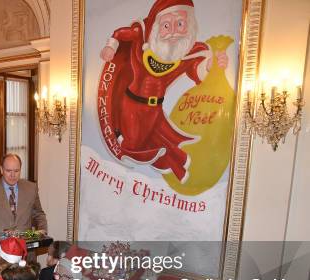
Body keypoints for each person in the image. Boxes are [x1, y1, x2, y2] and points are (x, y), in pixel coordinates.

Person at [98, 0, 228, 181]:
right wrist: (110, 46)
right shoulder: (141, 36)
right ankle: (120, 144)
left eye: (180, 24)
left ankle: (137, 165)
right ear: (157, 24)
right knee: (132, 143)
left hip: (155, 110)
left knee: (148, 142)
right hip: (131, 104)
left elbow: (199, 69)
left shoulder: (187, 54)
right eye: (167, 25)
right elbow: (120, 34)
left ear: (189, 25)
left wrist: (213, 65)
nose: (174, 31)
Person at [0, 154, 47, 263]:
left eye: (16, 171)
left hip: (25, 253)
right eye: (8, 170)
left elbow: (39, 214)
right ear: (1, 169)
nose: (13, 175)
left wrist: (42, 229)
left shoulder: (31, 188)